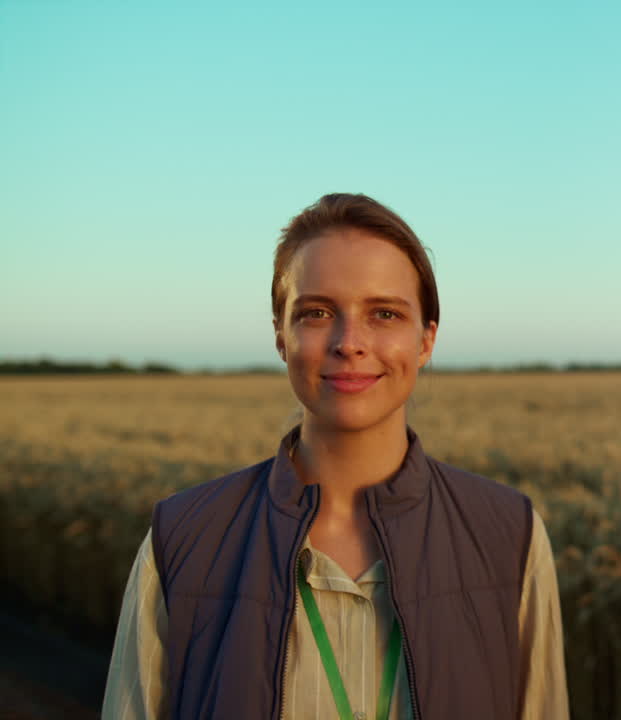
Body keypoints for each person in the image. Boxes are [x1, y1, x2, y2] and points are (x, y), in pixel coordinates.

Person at [103, 193, 568, 719]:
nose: (350, 342)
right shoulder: (183, 540)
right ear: (281, 335)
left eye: (385, 313)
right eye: (318, 312)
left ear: (426, 340)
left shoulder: (509, 536)